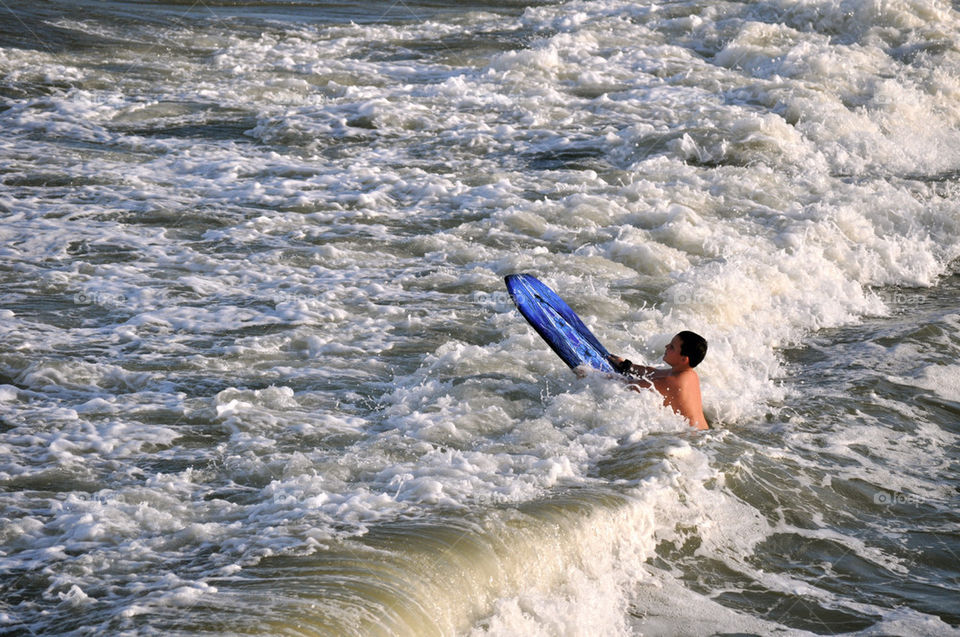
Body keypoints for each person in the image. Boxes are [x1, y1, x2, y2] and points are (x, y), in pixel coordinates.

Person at [608, 331, 708, 430]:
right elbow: (653, 372)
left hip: (689, 438)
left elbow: (629, 386)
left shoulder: (671, 382)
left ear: (683, 359)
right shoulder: (690, 374)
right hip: (702, 433)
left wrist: (606, 377)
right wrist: (627, 365)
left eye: (672, 347)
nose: (666, 346)